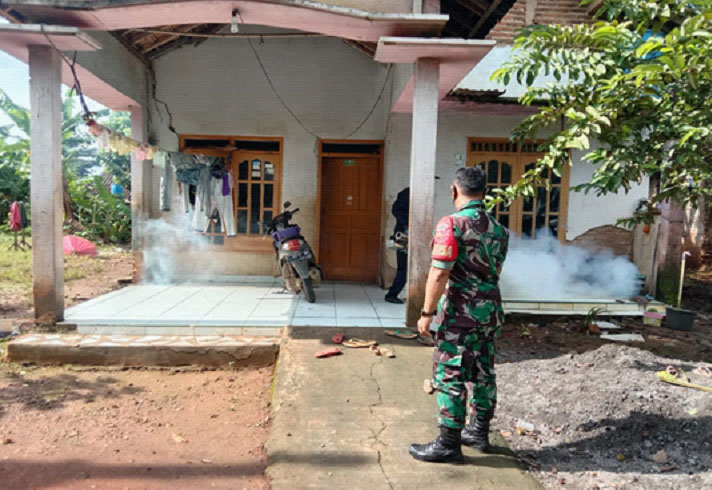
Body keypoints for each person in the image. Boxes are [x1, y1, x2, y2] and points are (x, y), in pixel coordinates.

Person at [409, 166, 509, 464]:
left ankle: (448, 444)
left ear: (454, 191)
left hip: (460, 314)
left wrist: (426, 313)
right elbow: (494, 271)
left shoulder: (451, 224)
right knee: (483, 371)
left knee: (449, 371)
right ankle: (478, 432)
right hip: (490, 311)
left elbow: (440, 272)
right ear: (485, 193)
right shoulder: (499, 230)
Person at [385, 187, 409, 304]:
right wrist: (408, 221)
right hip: (404, 236)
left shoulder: (410, 193)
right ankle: (392, 294)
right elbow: (396, 210)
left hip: (409, 234)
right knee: (404, 268)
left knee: (406, 268)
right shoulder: (407, 194)